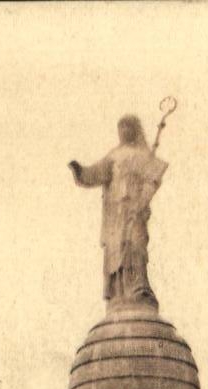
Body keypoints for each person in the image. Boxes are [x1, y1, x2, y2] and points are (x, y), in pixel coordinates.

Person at [70, 115, 168, 304]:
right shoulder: (114, 156)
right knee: (117, 248)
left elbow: (153, 179)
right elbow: (95, 174)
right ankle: (119, 290)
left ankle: (138, 286)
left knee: (136, 244)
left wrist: (142, 200)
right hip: (116, 212)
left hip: (135, 209)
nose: (123, 131)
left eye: (127, 127)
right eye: (120, 128)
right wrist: (79, 171)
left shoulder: (144, 155)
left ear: (135, 129)